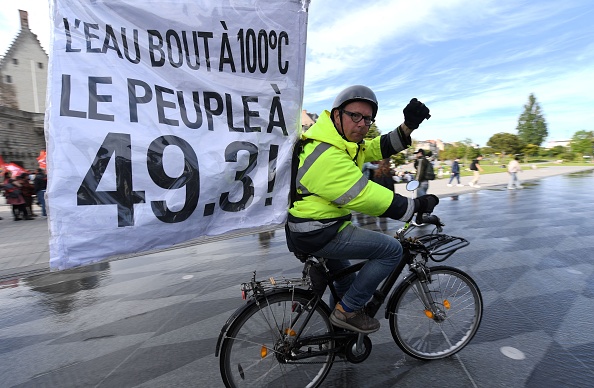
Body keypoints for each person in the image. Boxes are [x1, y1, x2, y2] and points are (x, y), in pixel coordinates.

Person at [285, 85, 437, 333]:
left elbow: (377, 147)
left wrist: (408, 126)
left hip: (319, 226)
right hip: (318, 230)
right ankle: (347, 312)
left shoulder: (339, 142)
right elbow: (365, 195)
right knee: (390, 249)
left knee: (346, 282)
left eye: (367, 119)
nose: (362, 124)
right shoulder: (325, 152)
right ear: (336, 115)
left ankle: (338, 337)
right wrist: (414, 206)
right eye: (355, 115)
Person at [372, 159, 396, 232]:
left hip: (377, 196)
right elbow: (390, 186)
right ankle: (384, 231)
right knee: (383, 216)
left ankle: (379, 231)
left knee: (379, 216)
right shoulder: (387, 173)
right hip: (385, 197)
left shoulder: (377, 173)